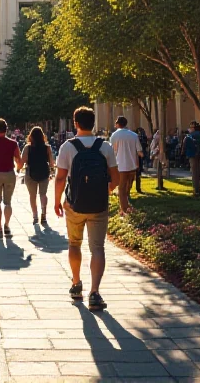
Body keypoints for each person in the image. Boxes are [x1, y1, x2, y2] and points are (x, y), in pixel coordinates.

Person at [54, 106, 119, 311]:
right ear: (93, 123)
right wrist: (105, 190)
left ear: (76, 123)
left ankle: (76, 283)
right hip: (99, 205)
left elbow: (61, 178)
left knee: (74, 243)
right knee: (97, 248)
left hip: (75, 204)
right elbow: (115, 178)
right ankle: (95, 292)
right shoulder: (105, 146)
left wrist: (57, 201)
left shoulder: (67, 147)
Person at [20, 126, 55, 226]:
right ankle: (43, 214)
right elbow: (51, 162)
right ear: (42, 136)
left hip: (31, 173)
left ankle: (35, 216)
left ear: (31, 136)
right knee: (43, 194)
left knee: (32, 195)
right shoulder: (47, 147)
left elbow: (22, 162)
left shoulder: (28, 147)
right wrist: (52, 171)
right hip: (44, 172)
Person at [109, 116, 143, 215]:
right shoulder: (134, 135)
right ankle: (126, 204)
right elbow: (139, 151)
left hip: (120, 165)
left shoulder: (114, 135)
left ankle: (124, 209)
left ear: (118, 124)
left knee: (122, 187)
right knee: (128, 185)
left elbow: (113, 151)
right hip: (132, 164)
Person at [182, 121, 200, 196]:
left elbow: (184, 146)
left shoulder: (189, 136)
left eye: (190, 127)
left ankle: (196, 190)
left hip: (192, 155)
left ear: (193, 128)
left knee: (195, 173)